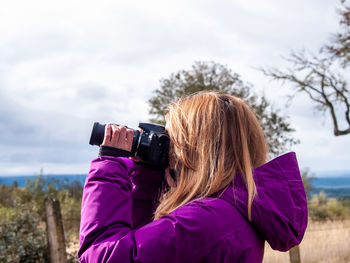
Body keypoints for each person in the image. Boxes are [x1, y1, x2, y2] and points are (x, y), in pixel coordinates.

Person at [78, 91, 308, 263]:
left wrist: (110, 165)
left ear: (195, 149)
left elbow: (101, 255)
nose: (169, 150)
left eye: (172, 139)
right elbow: (141, 243)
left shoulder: (203, 220)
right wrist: (148, 176)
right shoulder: (232, 211)